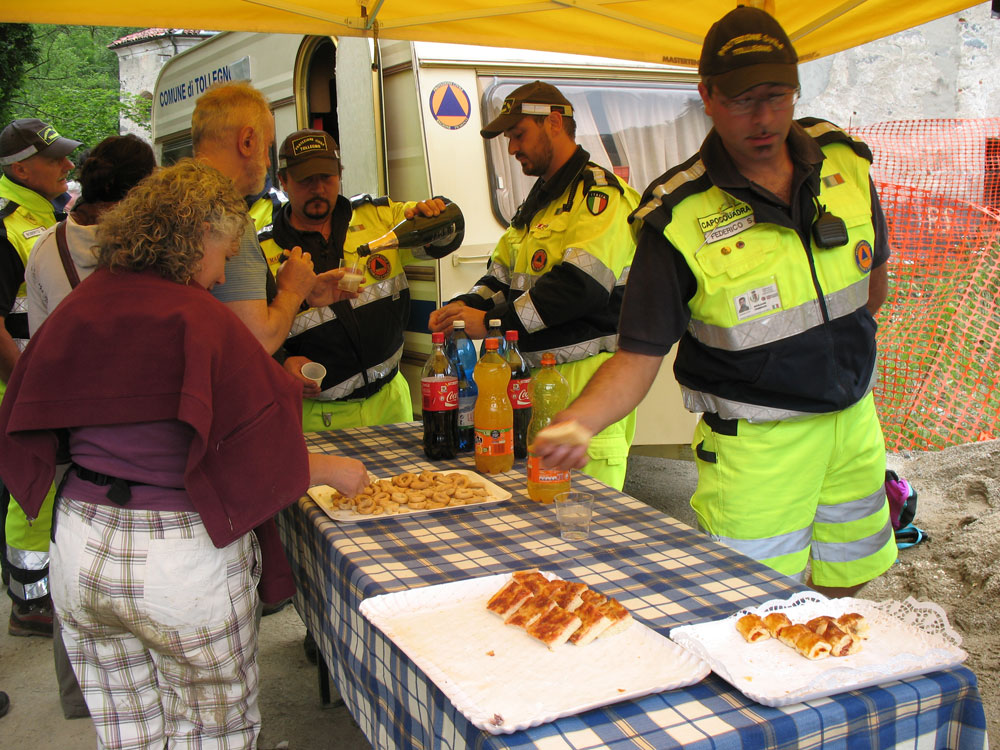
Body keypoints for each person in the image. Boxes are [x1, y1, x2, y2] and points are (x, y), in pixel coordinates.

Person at [0, 159, 368, 748]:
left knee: (128, 733)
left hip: (80, 548)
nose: (222, 276)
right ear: (194, 238)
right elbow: (255, 448)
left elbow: (32, 409)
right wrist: (331, 469)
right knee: (213, 731)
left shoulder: (87, 302)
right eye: (223, 252)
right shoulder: (197, 315)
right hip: (176, 557)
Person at [534, 7, 897, 597]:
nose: (762, 118)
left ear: (797, 86)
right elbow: (636, 356)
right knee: (749, 604)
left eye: (777, 96)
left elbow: (872, 288)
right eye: (740, 100)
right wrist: (581, 421)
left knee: (850, 578)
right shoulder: (677, 216)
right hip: (757, 446)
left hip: (854, 423)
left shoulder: (846, 165)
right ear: (706, 95)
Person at [428, 81, 640, 490]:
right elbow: (502, 278)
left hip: (588, 385)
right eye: (509, 138)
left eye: (518, 134)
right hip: (531, 385)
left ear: (555, 123)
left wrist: (489, 321)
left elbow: (580, 287)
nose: (512, 149)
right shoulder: (536, 206)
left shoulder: (599, 196)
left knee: (583, 525)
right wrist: (462, 308)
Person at [23, 133, 156, 720]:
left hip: (72, 435)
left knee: (74, 557)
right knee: (150, 556)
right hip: (143, 432)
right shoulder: (147, 251)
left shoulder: (45, 246)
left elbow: (38, 345)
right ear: (141, 192)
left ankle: (85, 693)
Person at [259, 128, 464, 432]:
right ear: (283, 180)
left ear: (340, 174)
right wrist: (281, 363)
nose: (318, 188)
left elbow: (447, 236)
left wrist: (436, 210)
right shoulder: (263, 251)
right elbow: (246, 333)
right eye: (305, 180)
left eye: (326, 177)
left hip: (391, 402)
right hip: (316, 416)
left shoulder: (379, 218)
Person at [0, 117, 80, 636]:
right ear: (22, 168)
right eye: (56, 159)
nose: (68, 165)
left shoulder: (41, 218)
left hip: (42, 388)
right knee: (32, 491)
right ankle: (30, 604)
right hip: (21, 391)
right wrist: (26, 385)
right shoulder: (6, 228)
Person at [191, 81, 320, 354]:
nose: (269, 162)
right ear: (247, 141)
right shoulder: (224, 216)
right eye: (267, 147)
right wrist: (292, 292)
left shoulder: (175, 198)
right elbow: (257, 340)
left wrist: (309, 290)